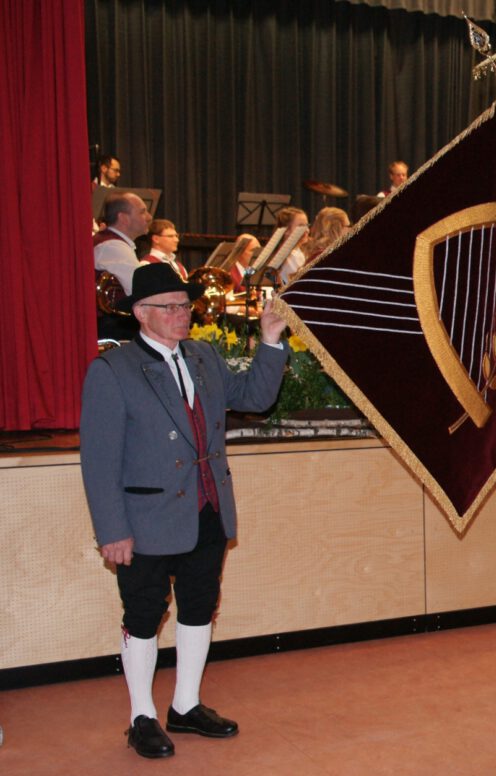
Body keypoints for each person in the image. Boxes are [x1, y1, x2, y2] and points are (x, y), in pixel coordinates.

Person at [80, 262, 289, 759]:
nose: (183, 315)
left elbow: (256, 399)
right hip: (144, 519)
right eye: (170, 307)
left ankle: (186, 704)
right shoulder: (112, 370)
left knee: (199, 607)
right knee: (145, 614)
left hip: (207, 508)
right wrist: (112, 530)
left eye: (184, 305)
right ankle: (141, 716)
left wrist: (271, 339)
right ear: (140, 314)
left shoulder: (203, 356)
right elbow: (99, 461)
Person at [94, 192, 151, 294]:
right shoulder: (113, 246)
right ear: (124, 218)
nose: (149, 217)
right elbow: (141, 291)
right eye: (142, 212)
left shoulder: (112, 243)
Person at [274, 206, 309, 285]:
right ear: (286, 230)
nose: (307, 230)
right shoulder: (288, 257)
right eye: (301, 226)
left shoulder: (297, 252)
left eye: (307, 225)